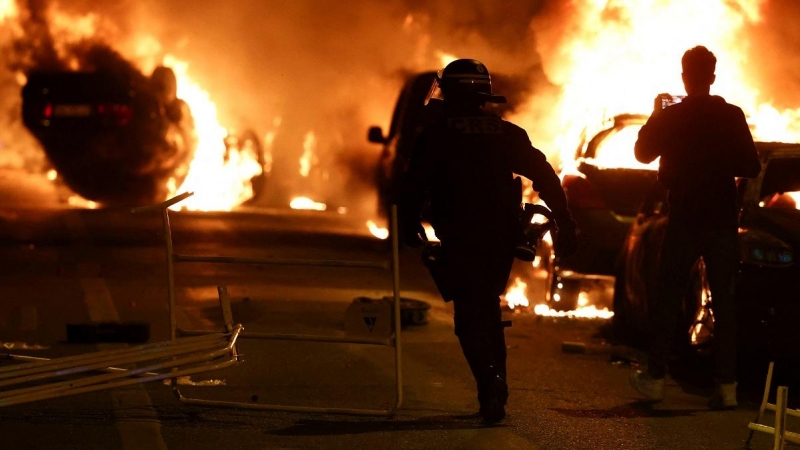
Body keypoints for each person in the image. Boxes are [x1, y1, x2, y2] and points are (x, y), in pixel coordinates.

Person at [398, 58, 578, 423]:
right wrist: (565, 220)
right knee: (489, 305)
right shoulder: (507, 133)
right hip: (502, 236)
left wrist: (408, 222)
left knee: (468, 313)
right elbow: (545, 175)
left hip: (459, 234)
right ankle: (496, 383)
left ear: (448, 92)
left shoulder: (436, 134)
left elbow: (413, 185)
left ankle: (489, 383)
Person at [629, 46, 761, 409]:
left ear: (685, 77)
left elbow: (642, 153)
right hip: (721, 220)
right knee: (725, 303)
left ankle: (655, 379)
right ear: (713, 77)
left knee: (668, 298)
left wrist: (657, 115)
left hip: (685, 218)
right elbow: (750, 165)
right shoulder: (731, 116)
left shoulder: (672, 117)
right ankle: (727, 387)